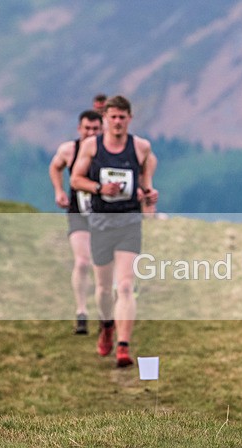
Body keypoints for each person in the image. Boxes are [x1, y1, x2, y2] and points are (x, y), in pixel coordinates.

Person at [71, 95, 158, 368]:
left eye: (122, 117)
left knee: (126, 286)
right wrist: (99, 188)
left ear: (129, 118)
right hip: (100, 224)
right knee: (104, 289)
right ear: (105, 119)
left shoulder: (141, 147)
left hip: (129, 223)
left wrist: (149, 196)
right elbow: (75, 179)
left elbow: (145, 185)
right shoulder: (91, 147)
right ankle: (106, 324)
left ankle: (123, 346)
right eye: (113, 117)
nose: (118, 122)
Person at [48, 109, 103, 334]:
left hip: (104, 215)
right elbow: (55, 166)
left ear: (102, 129)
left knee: (103, 266)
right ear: (79, 128)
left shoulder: (108, 151)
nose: (90, 133)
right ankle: (81, 312)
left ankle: (105, 315)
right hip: (78, 212)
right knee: (82, 262)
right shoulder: (69, 150)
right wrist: (59, 190)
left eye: (95, 129)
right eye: (87, 128)